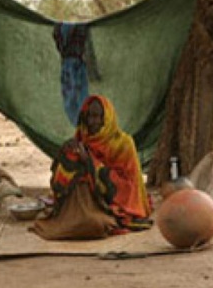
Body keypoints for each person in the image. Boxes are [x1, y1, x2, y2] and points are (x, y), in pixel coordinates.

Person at [32, 95, 152, 240]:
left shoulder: (124, 144)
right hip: (89, 202)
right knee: (70, 156)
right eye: (89, 116)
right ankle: (71, 214)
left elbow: (129, 187)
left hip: (112, 204)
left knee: (93, 224)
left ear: (106, 118)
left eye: (97, 117)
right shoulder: (83, 139)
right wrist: (67, 153)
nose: (92, 122)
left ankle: (83, 218)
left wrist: (90, 162)